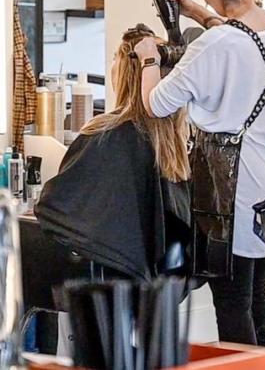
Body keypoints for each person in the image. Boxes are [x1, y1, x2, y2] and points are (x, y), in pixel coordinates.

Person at [135, 0, 265, 347]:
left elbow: (157, 103)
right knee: (256, 294)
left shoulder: (214, 45)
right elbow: (235, 34)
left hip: (232, 184)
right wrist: (196, 11)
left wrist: (148, 59)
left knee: (232, 299)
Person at [35, 26, 191, 279]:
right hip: (161, 289)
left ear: (122, 78)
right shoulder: (176, 143)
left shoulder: (106, 134)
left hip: (114, 282)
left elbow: (54, 207)